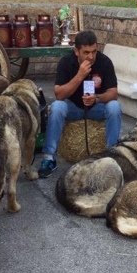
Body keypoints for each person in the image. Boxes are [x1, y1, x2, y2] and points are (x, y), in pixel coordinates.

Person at [38, 30, 122, 178]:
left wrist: (97, 98)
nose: (91, 56)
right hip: (74, 107)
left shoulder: (105, 62)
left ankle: (112, 157)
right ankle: (48, 158)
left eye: (94, 51)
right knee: (57, 107)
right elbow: (59, 94)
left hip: (96, 107)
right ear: (76, 51)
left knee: (114, 107)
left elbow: (113, 93)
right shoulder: (66, 62)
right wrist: (79, 76)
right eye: (86, 52)